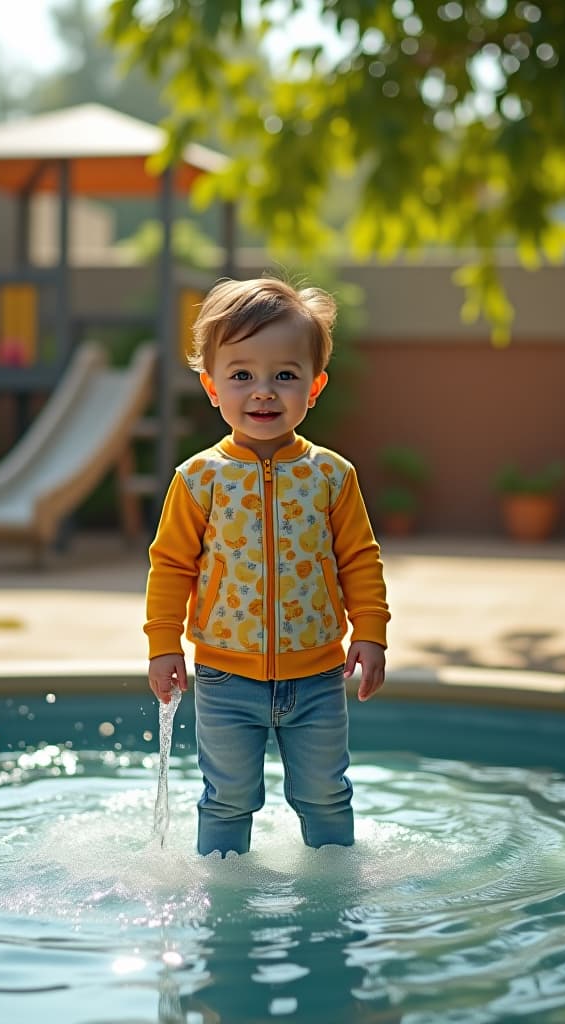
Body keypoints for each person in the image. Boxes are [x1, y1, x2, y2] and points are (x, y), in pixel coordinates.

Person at [144, 276, 390, 856]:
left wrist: (372, 632)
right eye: (241, 375)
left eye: (284, 374)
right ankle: (227, 908)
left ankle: (332, 897)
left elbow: (359, 557)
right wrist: (162, 644)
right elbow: (171, 565)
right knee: (227, 797)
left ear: (315, 385)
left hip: (318, 677)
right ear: (211, 387)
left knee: (327, 793)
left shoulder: (332, 476)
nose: (263, 392)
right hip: (227, 680)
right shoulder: (198, 479)